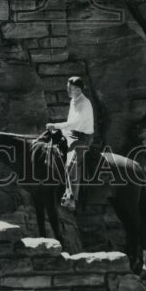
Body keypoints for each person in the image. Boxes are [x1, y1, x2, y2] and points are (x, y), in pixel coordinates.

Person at [47, 76, 95, 212]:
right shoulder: (74, 100)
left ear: (79, 90)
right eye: (67, 88)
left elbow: (75, 123)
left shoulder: (84, 103)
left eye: (70, 89)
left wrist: (55, 125)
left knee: (70, 164)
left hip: (82, 138)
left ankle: (71, 198)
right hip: (71, 134)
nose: (67, 90)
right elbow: (70, 123)